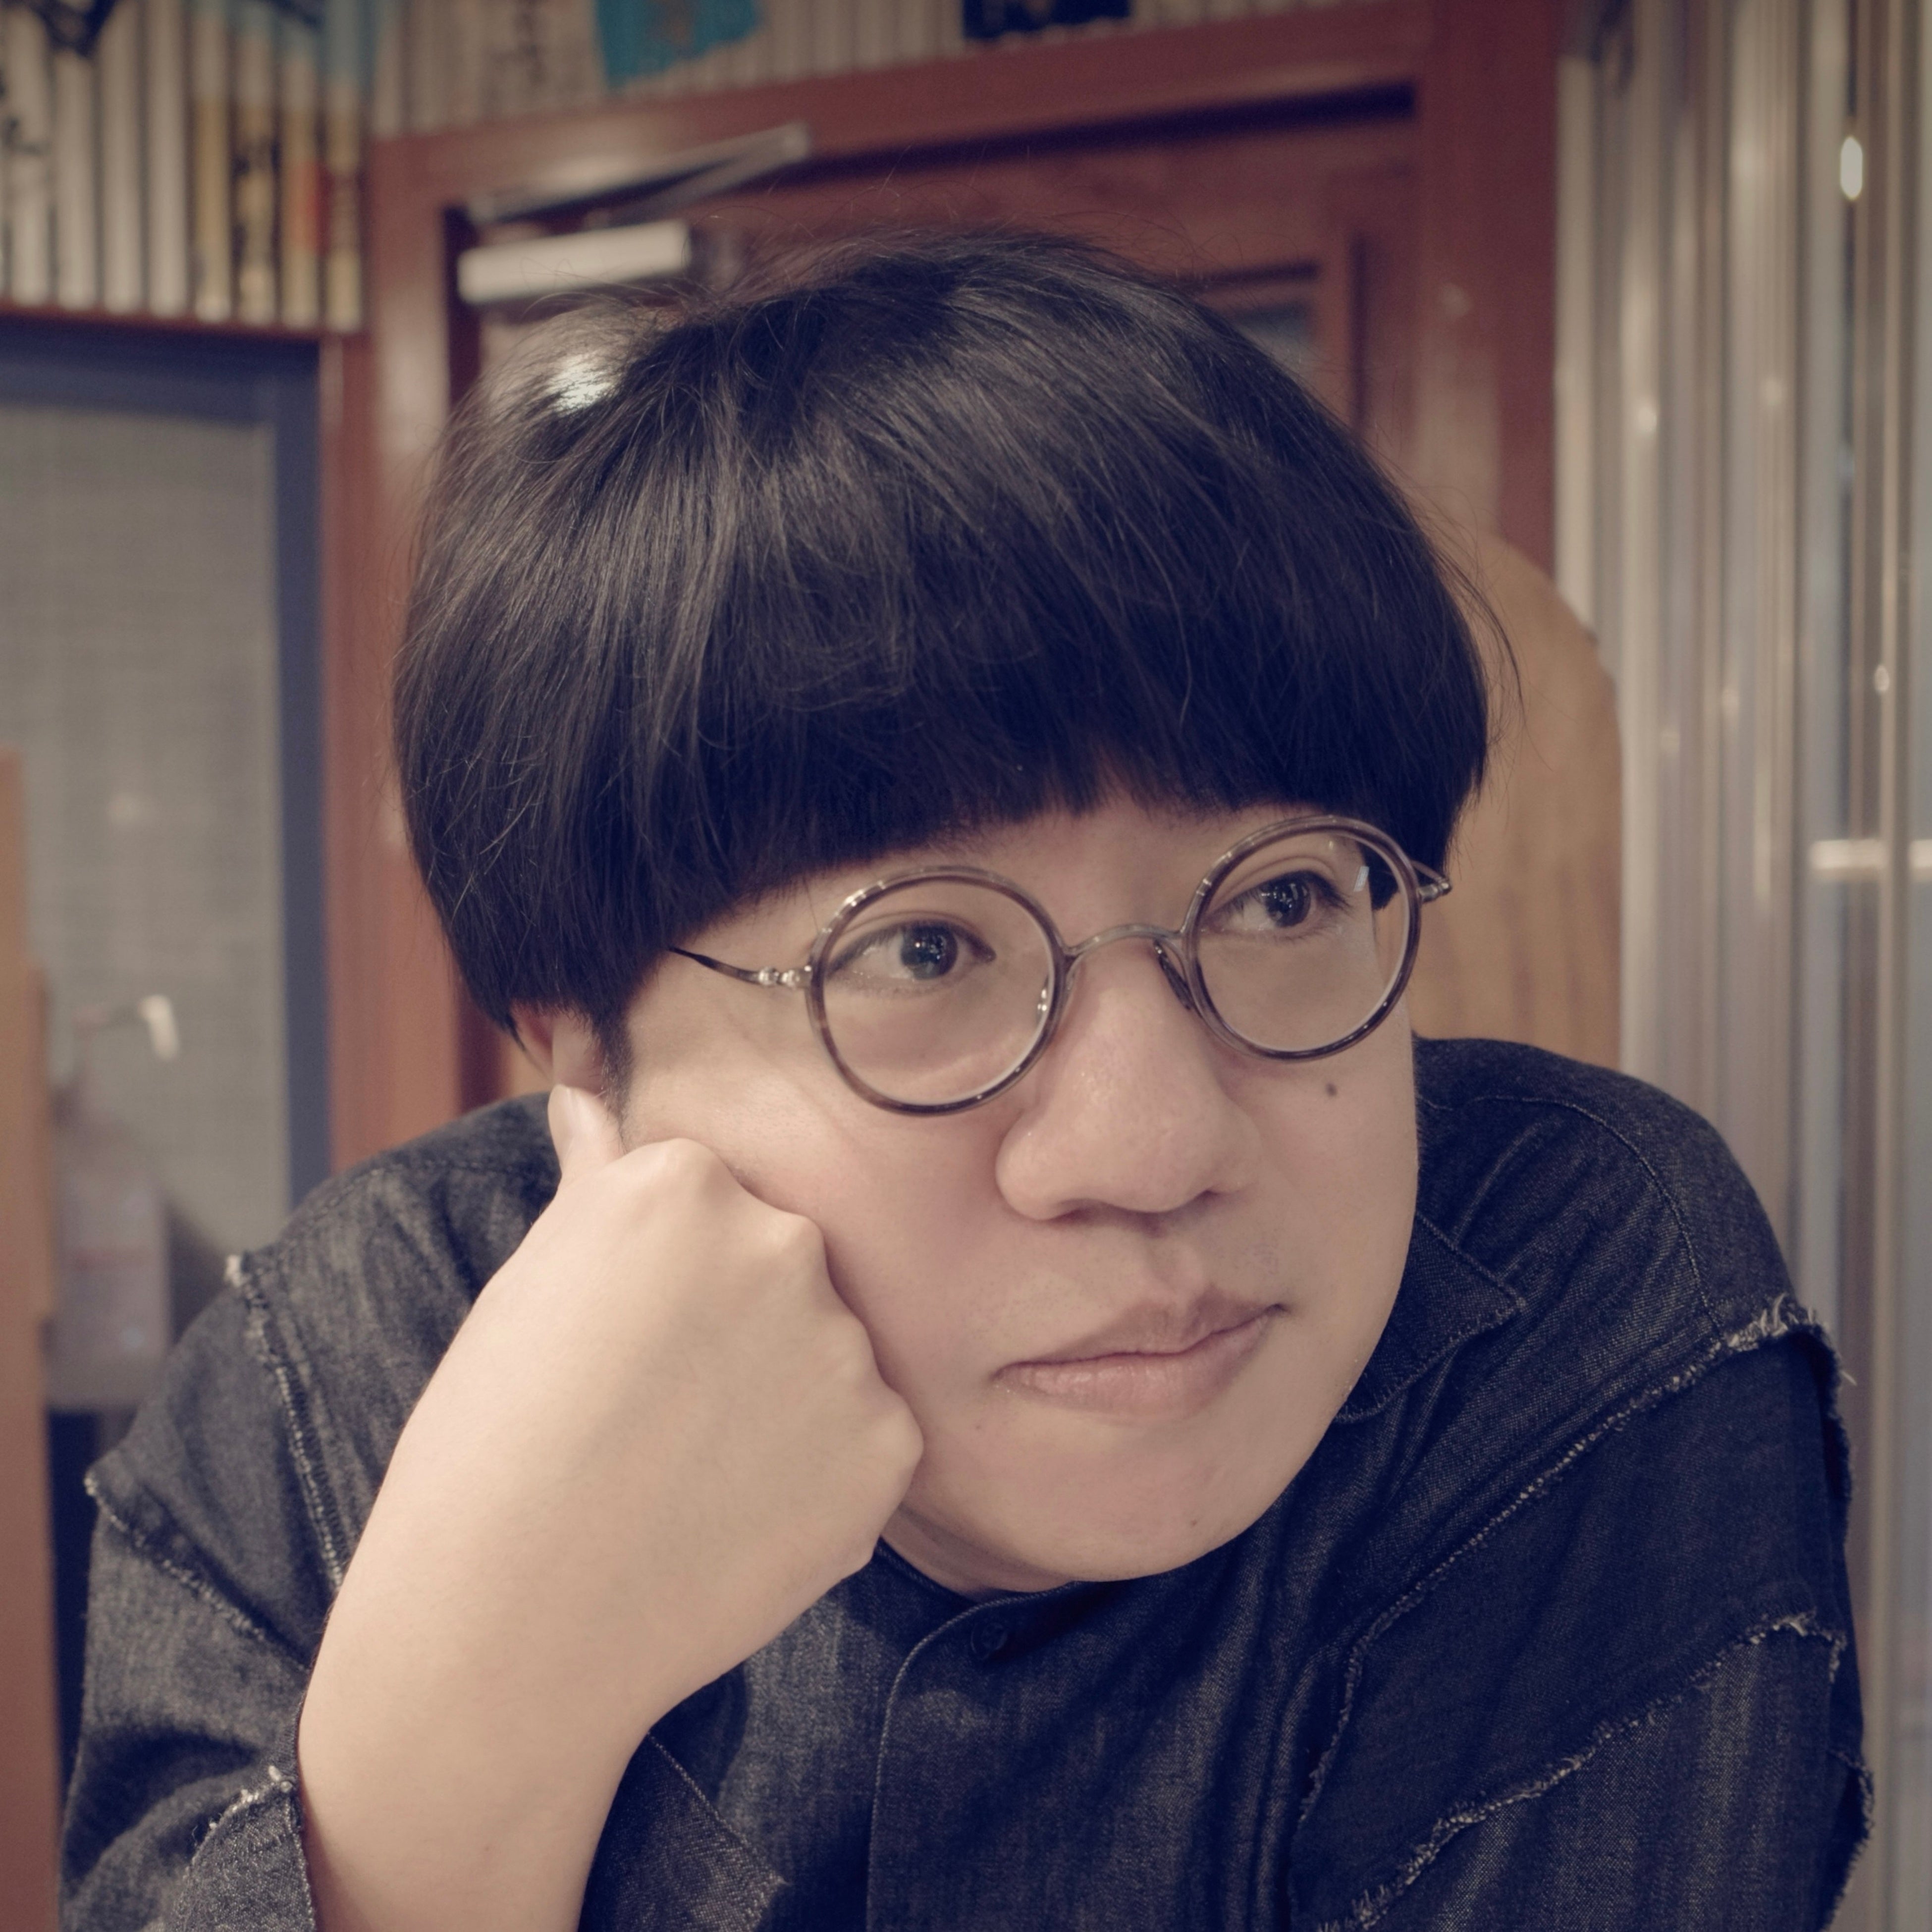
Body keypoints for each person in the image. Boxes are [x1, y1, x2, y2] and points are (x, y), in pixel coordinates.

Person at [61, 234, 1864, 1932]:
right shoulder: (338, 1380)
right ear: (583, 1043)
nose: (1154, 1144)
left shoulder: (1566, 1293)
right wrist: (465, 1746)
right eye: (922, 950)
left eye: (1284, 898)